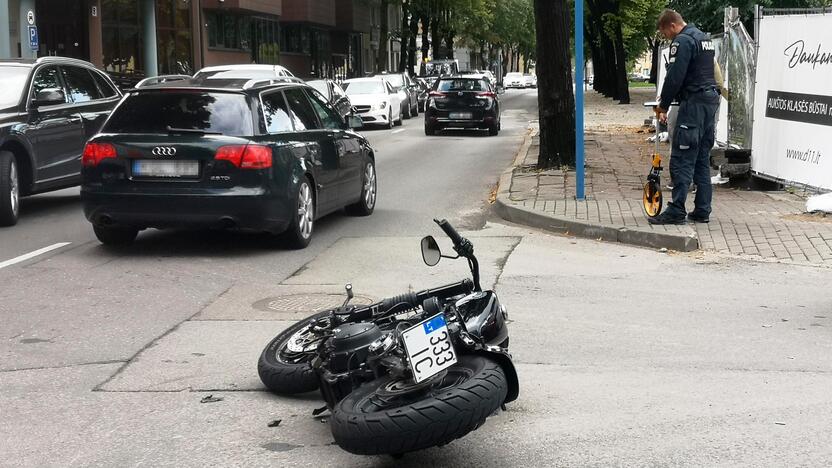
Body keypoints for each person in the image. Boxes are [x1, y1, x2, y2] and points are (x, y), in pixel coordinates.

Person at [649, 9, 720, 225]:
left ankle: (676, 210)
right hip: (710, 103)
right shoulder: (704, 39)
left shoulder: (683, 41)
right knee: (701, 158)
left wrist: (663, 105)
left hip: (694, 105)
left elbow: (675, 77)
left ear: (671, 25)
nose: (667, 38)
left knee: (682, 156)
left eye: (665, 33)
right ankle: (702, 210)